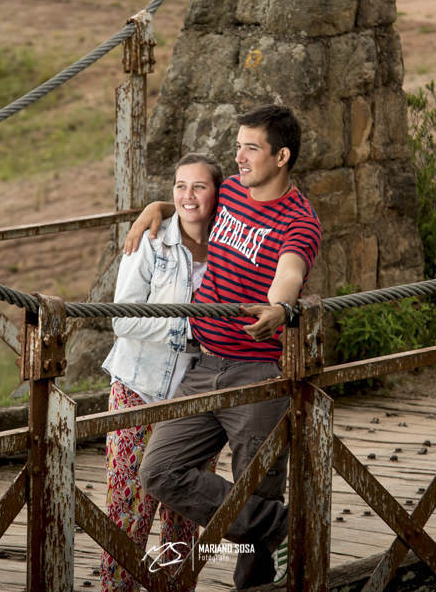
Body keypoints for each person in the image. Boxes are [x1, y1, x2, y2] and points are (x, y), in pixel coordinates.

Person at [124, 105, 322, 589]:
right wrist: (159, 207)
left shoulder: (300, 221)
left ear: (281, 156)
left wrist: (280, 307)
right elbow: (192, 205)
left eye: (251, 148)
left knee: (259, 486)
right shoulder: (232, 190)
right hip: (203, 365)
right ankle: (284, 527)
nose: (239, 157)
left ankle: (257, 576)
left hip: (258, 374)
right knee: (160, 471)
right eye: (237, 146)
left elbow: (290, 271)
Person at [100, 153, 223, 592]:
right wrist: (191, 324)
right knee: (127, 513)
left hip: (196, 396)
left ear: (217, 193)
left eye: (199, 186)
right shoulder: (151, 241)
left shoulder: (228, 246)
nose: (188, 195)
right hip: (138, 389)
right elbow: (123, 320)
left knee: (183, 515)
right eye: (179, 186)